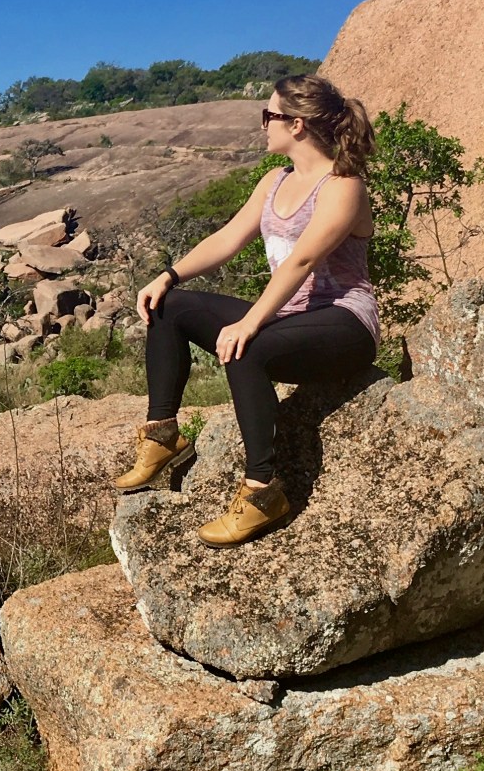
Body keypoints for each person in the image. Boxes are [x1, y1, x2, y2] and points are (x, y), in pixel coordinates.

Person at [112, 73, 380, 546]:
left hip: (345, 325)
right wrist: (169, 276)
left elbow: (304, 258)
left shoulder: (343, 186)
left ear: (296, 124)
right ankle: (162, 435)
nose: (263, 126)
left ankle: (263, 491)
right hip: (289, 318)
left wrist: (250, 320)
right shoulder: (274, 183)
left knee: (245, 348)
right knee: (169, 307)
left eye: (268, 116)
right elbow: (228, 239)